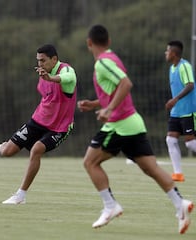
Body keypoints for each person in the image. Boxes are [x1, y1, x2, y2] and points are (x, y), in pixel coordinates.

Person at [78, 24, 193, 234]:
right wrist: (95, 105)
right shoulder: (113, 58)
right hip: (133, 122)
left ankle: (110, 206)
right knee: (151, 169)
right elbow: (114, 90)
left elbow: (126, 84)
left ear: (89, 43)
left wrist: (108, 110)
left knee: (90, 162)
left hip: (119, 124)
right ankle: (180, 204)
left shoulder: (102, 62)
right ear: (109, 41)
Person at [0, 44, 77, 204]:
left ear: (54, 59)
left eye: (43, 60)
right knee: (9, 151)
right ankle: (0, 149)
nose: (40, 64)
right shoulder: (41, 74)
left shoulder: (66, 70)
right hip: (38, 120)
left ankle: (20, 195)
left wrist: (51, 78)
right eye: (38, 61)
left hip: (59, 128)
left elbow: (68, 78)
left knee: (37, 149)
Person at [164, 40, 196, 182]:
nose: (166, 53)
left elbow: (190, 85)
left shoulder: (185, 66)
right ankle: (178, 174)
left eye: (167, 51)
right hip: (176, 111)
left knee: (189, 143)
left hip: (189, 110)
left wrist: (175, 99)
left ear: (174, 53)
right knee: (171, 139)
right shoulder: (172, 68)